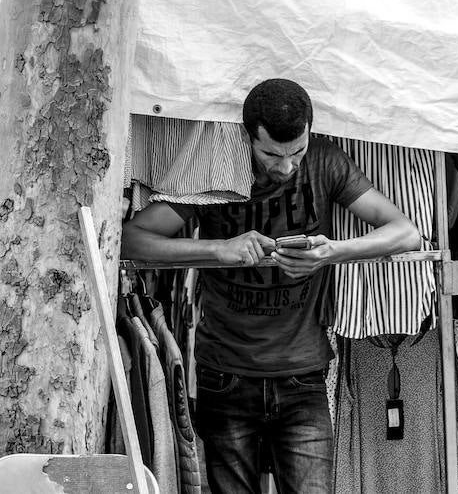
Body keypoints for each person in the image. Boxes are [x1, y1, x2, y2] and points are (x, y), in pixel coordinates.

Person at [121, 78, 421, 494]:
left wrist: (331, 252)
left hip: (303, 375)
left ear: (310, 133)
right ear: (248, 137)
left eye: (296, 152)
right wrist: (219, 249)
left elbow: (406, 233)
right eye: (270, 155)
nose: (285, 167)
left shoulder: (326, 162)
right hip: (223, 374)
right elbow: (131, 240)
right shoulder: (215, 167)